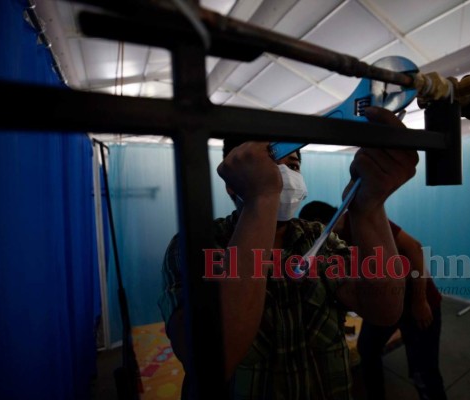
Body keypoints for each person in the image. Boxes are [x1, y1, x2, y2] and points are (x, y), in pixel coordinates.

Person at [158, 107, 419, 399]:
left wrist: (369, 208)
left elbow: (384, 311)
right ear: (233, 184)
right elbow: (211, 362)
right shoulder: (196, 246)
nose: (283, 176)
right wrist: (261, 200)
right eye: (270, 164)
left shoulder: (318, 240)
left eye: (293, 165)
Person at [357, 220, 446, 400]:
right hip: (386, 304)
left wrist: (420, 302)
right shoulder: (336, 239)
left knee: (424, 371)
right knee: (367, 347)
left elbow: (415, 248)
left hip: (417, 302)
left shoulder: (364, 218)